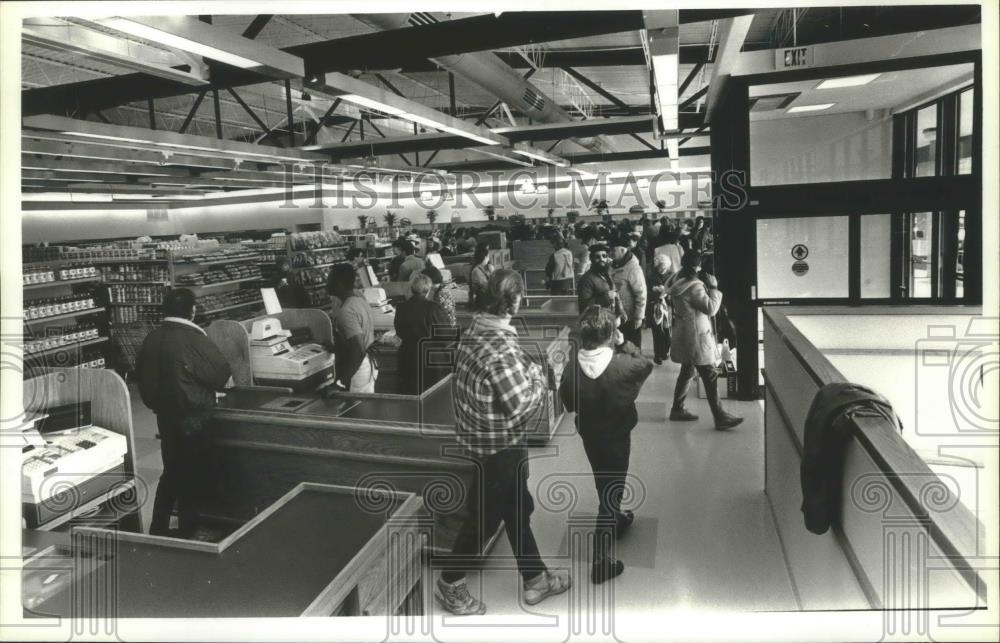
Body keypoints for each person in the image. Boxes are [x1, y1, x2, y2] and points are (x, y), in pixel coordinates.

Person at [437, 270, 571, 615]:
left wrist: (525, 370)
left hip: (482, 440)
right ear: (515, 301)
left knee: (517, 509)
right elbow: (521, 403)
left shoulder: (475, 330)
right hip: (500, 448)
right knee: (484, 519)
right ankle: (450, 583)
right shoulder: (500, 349)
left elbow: (509, 373)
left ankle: (535, 579)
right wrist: (542, 378)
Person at [560, 305, 653, 584]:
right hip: (617, 434)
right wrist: (626, 344)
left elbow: (568, 403)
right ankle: (600, 560)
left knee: (604, 480)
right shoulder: (624, 366)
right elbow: (645, 364)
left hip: (590, 434)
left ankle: (618, 516)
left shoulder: (570, 369)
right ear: (612, 334)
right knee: (613, 488)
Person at [136, 288, 232, 538]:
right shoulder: (194, 338)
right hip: (195, 416)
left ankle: (159, 525)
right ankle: (189, 529)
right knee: (193, 471)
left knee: (172, 469)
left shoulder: (152, 338)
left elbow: (144, 383)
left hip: (165, 417)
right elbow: (220, 375)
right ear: (192, 311)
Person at [667, 251, 743, 430]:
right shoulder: (695, 287)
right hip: (696, 337)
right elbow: (710, 309)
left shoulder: (678, 282)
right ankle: (720, 416)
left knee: (687, 371)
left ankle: (677, 409)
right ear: (697, 267)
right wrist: (714, 288)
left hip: (685, 333)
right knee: (710, 375)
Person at [394, 273, 451, 395]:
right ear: (428, 290)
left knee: (411, 397)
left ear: (411, 288)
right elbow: (446, 336)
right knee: (432, 398)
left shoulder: (401, 308)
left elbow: (399, 331)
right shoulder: (433, 308)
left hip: (408, 357)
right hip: (431, 360)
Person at [326, 263, 378, 393]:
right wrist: (335, 348)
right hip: (368, 363)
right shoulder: (359, 301)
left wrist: (339, 384)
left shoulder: (346, 311)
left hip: (358, 368)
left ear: (339, 284)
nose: (327, 284)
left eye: (330, 279)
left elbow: (357, 349)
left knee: (357, 411)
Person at [610, 245, 647, 350]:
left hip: (631, 317)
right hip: (618, 315)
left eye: (613, 250)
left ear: (622, 250)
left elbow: (641, 294)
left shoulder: (633, 268)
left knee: (632, 347)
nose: (611, 253)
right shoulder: (614, 265)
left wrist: (639, 317)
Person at [647, 253, 674, 364]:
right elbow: (647, 292)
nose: (662, 268)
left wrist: (666, 293)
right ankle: (657, 355)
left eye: (664, 266)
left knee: (667, 331)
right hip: (655, 307)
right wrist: (654, 291)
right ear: (656, 266)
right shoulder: (651, 276)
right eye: (660, 266)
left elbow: (675, 292)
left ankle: (666, 351)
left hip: (667, 307)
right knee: (657, 331)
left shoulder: (671, 276)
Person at [423, 262, 458, 329]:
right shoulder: (440, 289)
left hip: (445, 328)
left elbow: (438, 315)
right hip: (447, 325)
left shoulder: (441, 293)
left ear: (429, 280)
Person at [467, 242, 493, 311]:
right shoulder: (476, 270)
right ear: (484, 257)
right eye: (488, 257)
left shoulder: (485, 267)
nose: (489, 259)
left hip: (487, 298)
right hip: (482, 301)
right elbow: (486, 285)